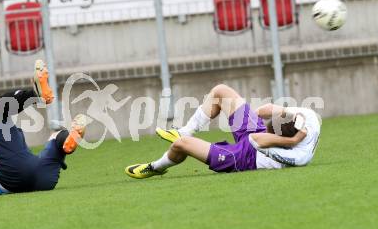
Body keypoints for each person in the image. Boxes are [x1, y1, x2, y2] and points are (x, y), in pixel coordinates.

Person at [125, 84, 321, 179]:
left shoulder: (300, 156)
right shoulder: (308, 117)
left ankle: (155, 167)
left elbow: (256, 139)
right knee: (221, 92)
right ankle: (185, 130)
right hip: (259, 135)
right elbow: (265, 111)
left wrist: (293, 141)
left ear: (279, 137)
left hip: (246, 158)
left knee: (180, 145)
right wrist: (255, 116)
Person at [0, 60, 86, 195]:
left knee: (56, 137)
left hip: (38, 177)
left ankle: (68, 138)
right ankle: (36, 96)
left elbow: (0, 134)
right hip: (14, 176)